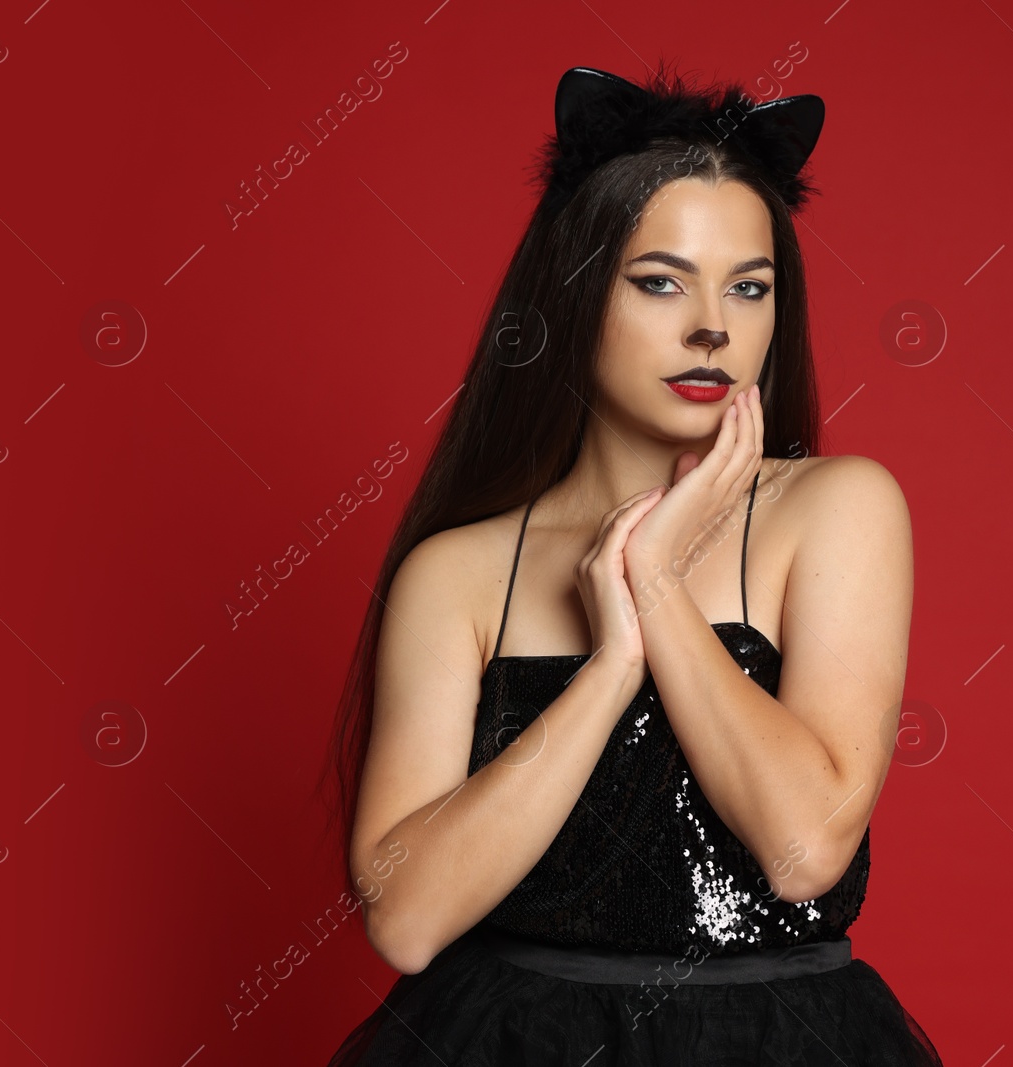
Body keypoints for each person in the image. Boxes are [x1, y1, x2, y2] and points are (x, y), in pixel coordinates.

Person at [321, 62, 942, 1065]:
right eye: (661, 281)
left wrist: (654, 580)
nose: (713, 325)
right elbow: (407, 920)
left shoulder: (836, 509)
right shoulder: (458, 571)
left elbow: (802, 852)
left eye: (750, 286)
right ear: (573, 295)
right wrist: (609, 664)